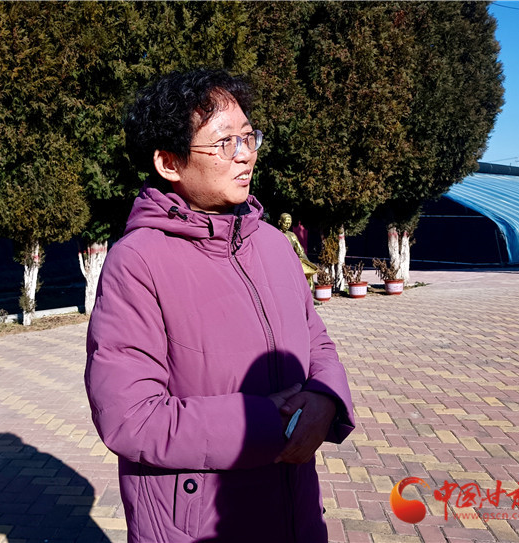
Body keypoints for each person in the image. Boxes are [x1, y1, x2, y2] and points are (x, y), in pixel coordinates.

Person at [85, 69, 354, 542]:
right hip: (197, 524)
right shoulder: (139, 261)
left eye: (249, 137)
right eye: (225, 142)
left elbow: (317, 342)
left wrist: (326, 399)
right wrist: (268, 424)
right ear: (169, 162)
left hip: (295, 511)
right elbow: (130, 418)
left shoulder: (273, 244)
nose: (245, 154)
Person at [278, 212, 319, 287]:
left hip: (290, 264)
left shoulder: (292, 235)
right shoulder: (275, 234)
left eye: (289, 223)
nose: (287, 225)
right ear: (279, 222)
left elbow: (300, 252)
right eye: (286, 223)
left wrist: (308, 264)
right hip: (278, 264)